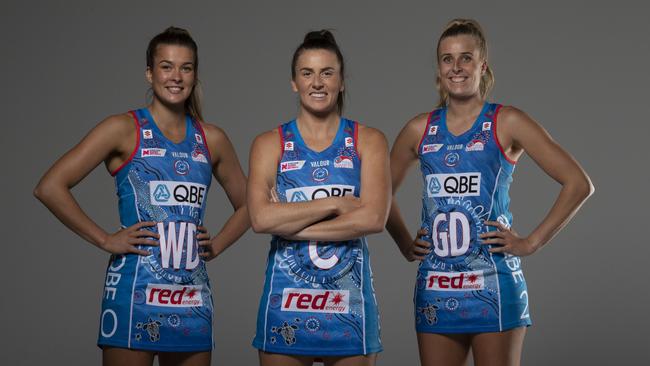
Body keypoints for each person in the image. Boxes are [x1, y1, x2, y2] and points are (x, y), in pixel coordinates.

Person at [34, 26, 249, 366]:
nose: (176, 76)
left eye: (186, 67)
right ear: (149, 73)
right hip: (134, 295)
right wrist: (105, 239)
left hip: (191, 298)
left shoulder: (211, 139)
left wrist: (217, 244)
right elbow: (50, 186)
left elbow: (252, 205)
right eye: (166, 66)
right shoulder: (122, 129)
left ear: (195, 74)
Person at [385, 19, 594, 366]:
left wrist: (531, 242)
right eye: (447, 59)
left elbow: (579, 183)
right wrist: (406, 242)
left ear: (482, 66)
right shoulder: (418, 129)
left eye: (466, 58)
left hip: (493, 284)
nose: (456, 67)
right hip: (436, 286)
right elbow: (380, 197)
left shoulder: (507, 121)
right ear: (439, 68)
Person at [248, 30, 390, 366]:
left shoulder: (368, 140)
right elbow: (259, 219)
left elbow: (373, 219)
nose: (317, 82)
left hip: (350, 305)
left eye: (327, 72)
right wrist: (336, 204)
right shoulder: (269, 144)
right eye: (307, 73)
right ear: (294, 83)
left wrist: (289, 224)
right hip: (286, 303)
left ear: (341, 81)